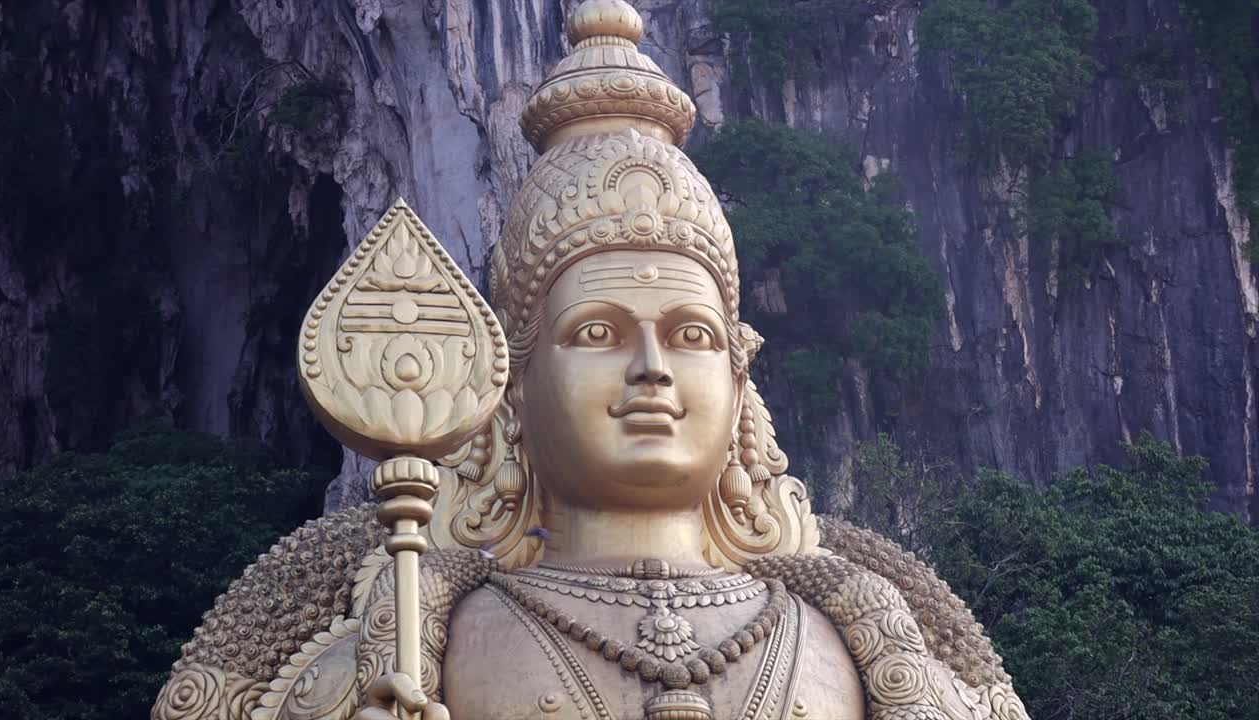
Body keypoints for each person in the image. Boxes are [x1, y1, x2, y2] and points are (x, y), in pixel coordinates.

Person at [151, 3, 1029, 719]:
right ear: (514, 386)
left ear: (739, 376)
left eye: (692, 335)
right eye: (599, 333)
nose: (651, 367)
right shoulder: (430, 627)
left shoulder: (849, 633)